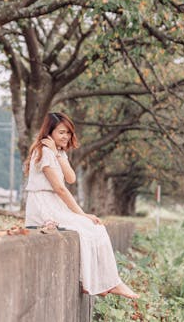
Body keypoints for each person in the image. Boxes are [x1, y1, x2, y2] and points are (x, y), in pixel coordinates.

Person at [24, 112, 139, 299]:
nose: (66, 137)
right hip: (43, 206)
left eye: (68, 133)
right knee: (88, 226)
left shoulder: (56, 152)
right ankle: (98, 283)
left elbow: (71, 178)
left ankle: (105, 283)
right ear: (49, 132)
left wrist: (58, 154)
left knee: (96, 228)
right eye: (61, 132)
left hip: (55, 204)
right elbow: (60, 189)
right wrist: (82, 214)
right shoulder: (43, 151)